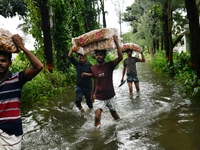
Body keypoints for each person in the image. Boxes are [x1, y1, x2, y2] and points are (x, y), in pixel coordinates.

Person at [0, 34, 43, 149]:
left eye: (3, 61)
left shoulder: (17, 79)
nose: (0, 63)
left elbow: (39, 66)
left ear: (10, 63)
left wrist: (22, 47)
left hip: (12, 133)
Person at [91, 34, 123, 127]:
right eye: (97, 55)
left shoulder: (109, 65)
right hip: (99, 96)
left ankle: (120, 125)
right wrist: (92, 94)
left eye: (100, 55)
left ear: (104, 55)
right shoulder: (93, 68)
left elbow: (120, 57)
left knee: (114, 115)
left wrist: (116, 42)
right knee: (97, 116)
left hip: (110, 96)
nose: (98, 57)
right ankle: (98, 136)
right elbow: (95, 81)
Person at [68, 47, 93, 112]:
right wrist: (72, 49)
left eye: (83, 58)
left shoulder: (90, 66)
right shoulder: (77, 64)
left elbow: (94, 75)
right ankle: (82, 111)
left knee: (90, 104)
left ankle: (91, 113)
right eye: (80, 58)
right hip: (79, 87)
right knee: (77, 101)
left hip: (88, 87)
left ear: (85, 58)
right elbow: (69, 56)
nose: (81, 59)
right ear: (78, 59)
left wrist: (86, 74)